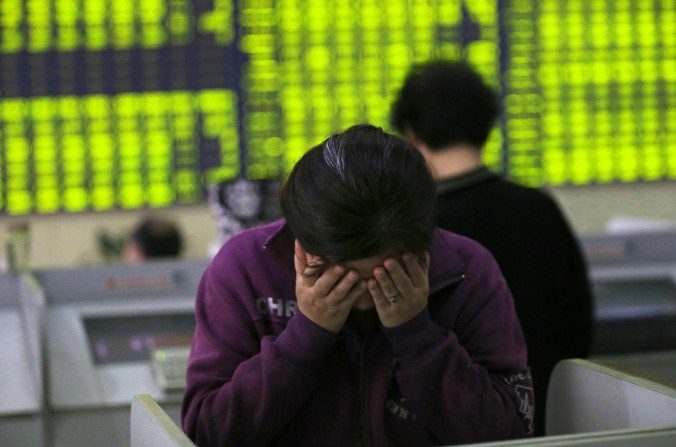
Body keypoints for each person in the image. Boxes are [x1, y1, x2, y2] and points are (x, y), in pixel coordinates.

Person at [181, 124, 533, 446]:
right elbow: (209, 433)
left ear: (424, 247)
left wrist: (416, 335)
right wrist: (306, 336)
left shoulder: (467, 271)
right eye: (340, 279)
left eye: (384, 276)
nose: (365, 300)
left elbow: (509, 432)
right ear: (299, 243)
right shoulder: (244, 267)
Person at [391, 60, 594, 436]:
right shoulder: (539, 209)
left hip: (455, 426)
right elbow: (578, 325)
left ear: (410, 133)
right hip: (548, 422)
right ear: (487, 126)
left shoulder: (413, 227)